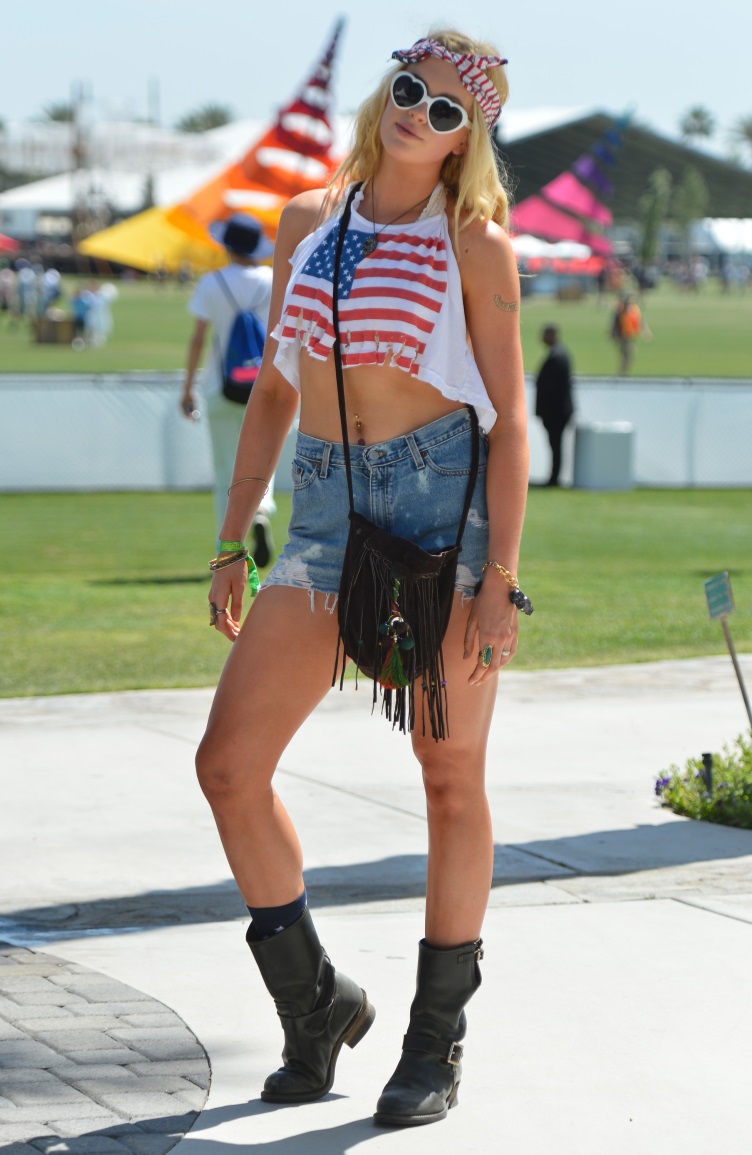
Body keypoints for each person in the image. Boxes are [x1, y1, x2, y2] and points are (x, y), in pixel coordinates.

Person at [195, 29, 528, 1128]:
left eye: (447, 111)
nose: (419, 114)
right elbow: (276, 393)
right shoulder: (308, 223)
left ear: (466, 141)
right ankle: (317, 1005)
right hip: (326, 512)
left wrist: (501, 574)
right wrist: (234, 535)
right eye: (410, 90)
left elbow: (510, 419)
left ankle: (436, 1041)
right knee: (228, 765)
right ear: (387, 90)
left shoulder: (475, 245)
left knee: (449, 776)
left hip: (442, 517)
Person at [181, 214, 277, 558]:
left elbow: (198, 338)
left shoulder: (212, 282)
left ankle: (229, 548)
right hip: (266, 389)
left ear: (227, 246)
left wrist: (187, 389)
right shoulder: (273, 280)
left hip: (221, 387)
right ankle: (261, 511)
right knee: (263, 462)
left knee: (226, 468)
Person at [535, 323, 574, 486]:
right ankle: (554, 477)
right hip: (557, 411)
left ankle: (554, 478)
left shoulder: (556, 357)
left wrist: (546, 411)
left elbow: (551, 388)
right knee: (555, 445)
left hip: (556, 412)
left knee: (555, 445)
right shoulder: (558, 354)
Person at [610, 292, 642, 374]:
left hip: (630, 335)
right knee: (627, 353)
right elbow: (615, 323)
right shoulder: (621, 310)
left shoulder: (633, 309)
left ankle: (623, 371)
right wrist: (613, 335)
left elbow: (640, 321)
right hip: (624, 336)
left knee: (628, 354)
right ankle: (622, 372)